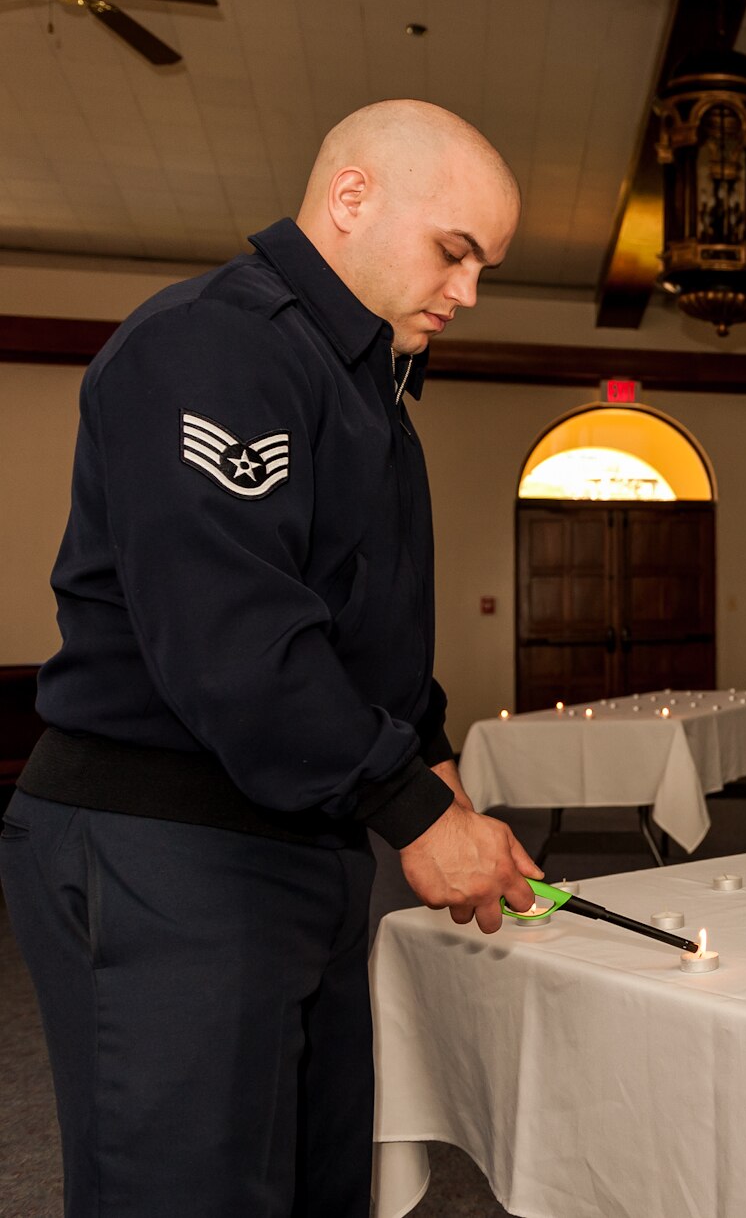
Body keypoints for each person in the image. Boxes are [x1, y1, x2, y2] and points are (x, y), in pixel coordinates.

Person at [0, 100, 541, 1217]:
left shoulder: (367, 386)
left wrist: (431, 763)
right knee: (188, 1190)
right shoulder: (216, 343)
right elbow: (236, 639)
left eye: (484, 264)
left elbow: (361, 625)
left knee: (313, 1180)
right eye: (455, 251)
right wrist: (411, 807)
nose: (469, 292)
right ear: (351, 199)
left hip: (302, 841)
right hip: (168, 842)